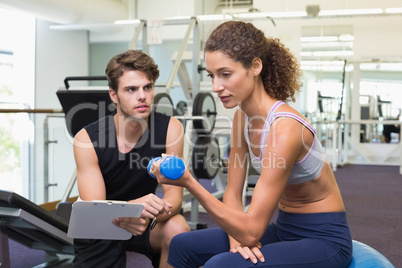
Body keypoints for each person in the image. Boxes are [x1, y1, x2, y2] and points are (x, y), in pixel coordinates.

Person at [151, 21, 353, 268]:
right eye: (212, 76)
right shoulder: (242, 117)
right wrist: (236, 239)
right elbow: (233, 193)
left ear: (256, 66)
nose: (216, 87)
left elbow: (252, 230)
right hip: (284, 229)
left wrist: (190, 183)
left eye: (225, 74)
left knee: (221, 265)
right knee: (182, 244)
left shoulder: (285, 128)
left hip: (324, 240)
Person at [72, 49, 190, 268]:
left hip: (143, 223)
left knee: (178, 228)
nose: (142, 96)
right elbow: (96, 211)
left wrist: (144, 218)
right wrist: (130, 210)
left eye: (148, 87)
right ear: (114, 95)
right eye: (131, 89)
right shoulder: (86, 139)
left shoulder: (170, 129)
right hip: (101, 227)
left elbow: (174, 199)